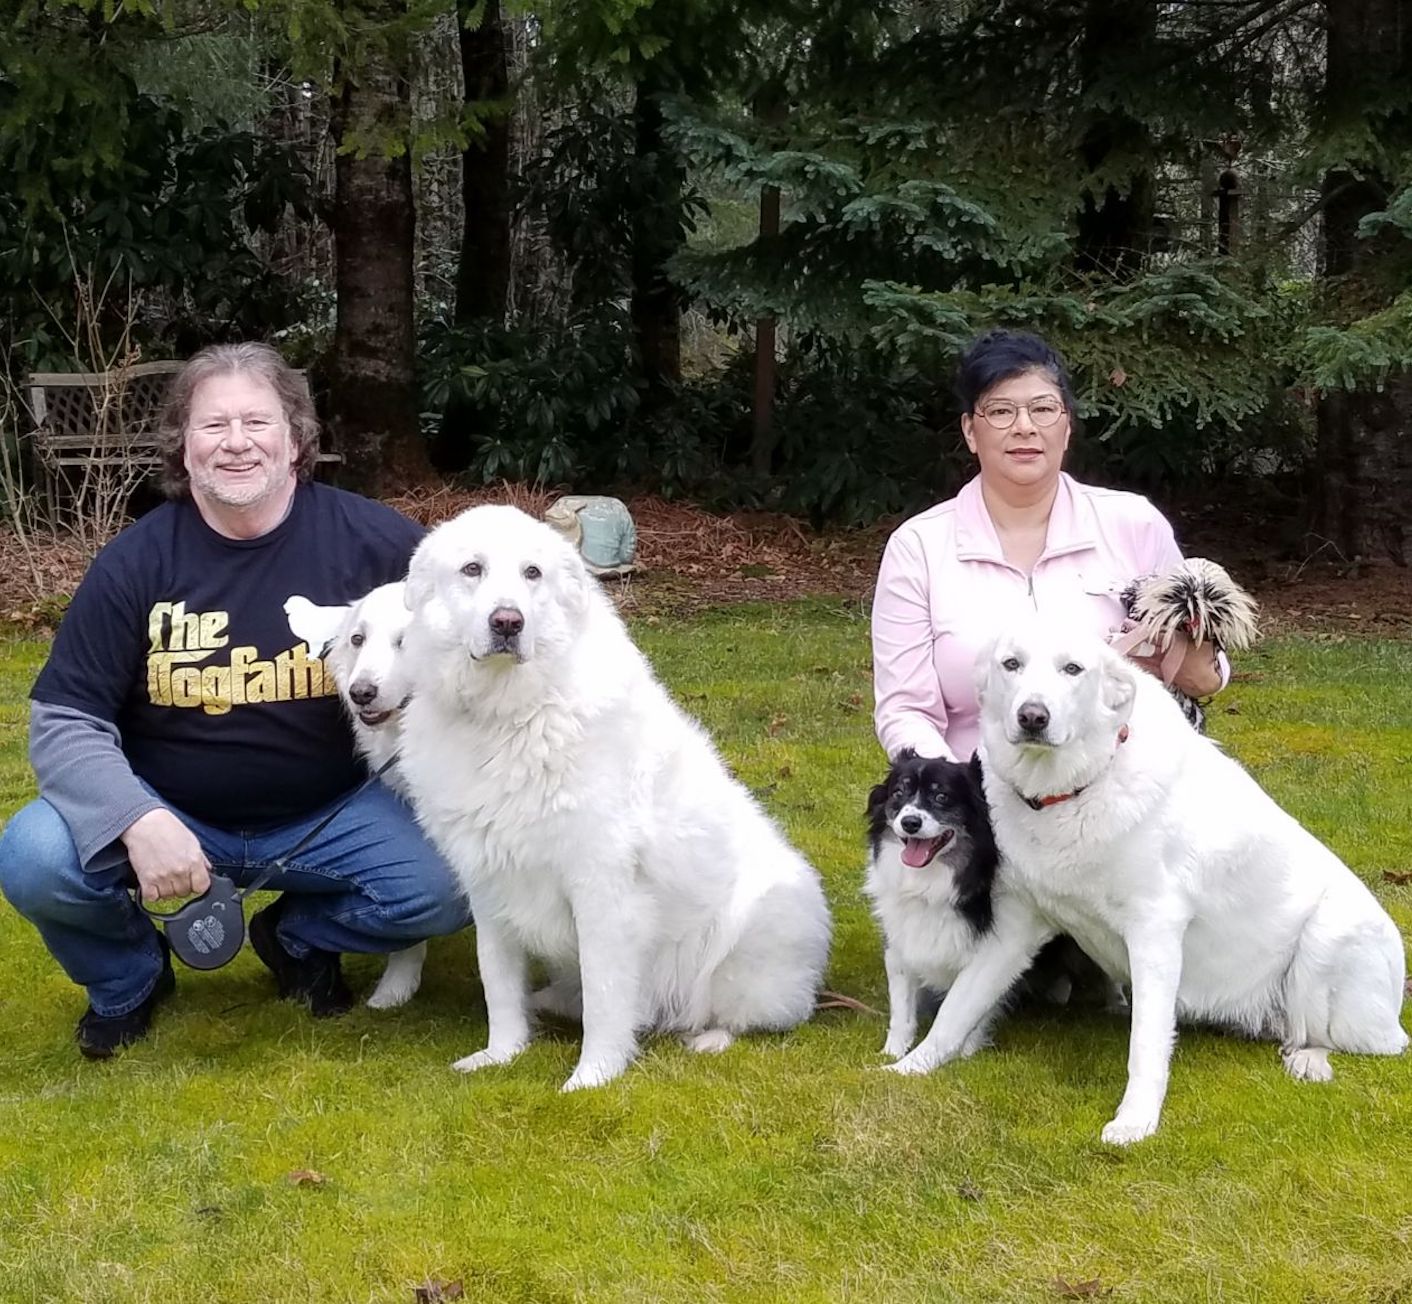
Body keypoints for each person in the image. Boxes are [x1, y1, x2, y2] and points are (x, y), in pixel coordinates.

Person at [0, 343, 472, 1059]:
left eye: (258, 421)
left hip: (334, 813)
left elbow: (474, 632)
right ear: (183, 448)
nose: (237, 442)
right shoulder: (136, 562)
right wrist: (138, 819)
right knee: (34, 855)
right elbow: (66, 720)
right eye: (212, 425)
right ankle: (129, 980)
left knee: (453, 884)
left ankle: (296, 936)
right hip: (172, 810)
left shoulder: (377, 543)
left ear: (296, 440)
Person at [872, 329, 1226, 762]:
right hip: (979, 796)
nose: (1025, 427)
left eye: (1043, 409)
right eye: (1000, 411)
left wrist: (1198, 668)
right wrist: (955, 792)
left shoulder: (1134, 524)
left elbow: (1206, 666)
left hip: (1121, 798)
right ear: (970, 430)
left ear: (1067, 425)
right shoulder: (919, 547)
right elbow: (905, 710)